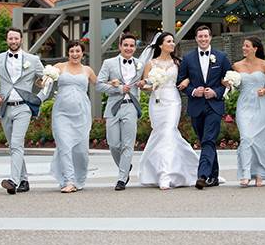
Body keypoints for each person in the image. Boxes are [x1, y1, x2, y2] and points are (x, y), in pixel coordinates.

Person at [0, 28, 46, 195]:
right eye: (10, 38)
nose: (13, 41)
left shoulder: (33, 59)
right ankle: (24, 179)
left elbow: (46, 79)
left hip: (24, 107)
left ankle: (13, 181)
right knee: (13, 146)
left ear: (21, 39)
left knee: (17, 143)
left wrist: (40, 97)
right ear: (7, 40)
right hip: (5, 107)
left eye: (16, 38)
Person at [137, 32, 198, 190]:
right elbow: (146, 86)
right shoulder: (151, 63)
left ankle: (165, 174)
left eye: (173, 41)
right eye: (169, 41)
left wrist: (185, 80)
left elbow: (190, 76)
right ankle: (187, 167)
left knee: (169, 131)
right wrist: (146, 85)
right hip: (157, 102)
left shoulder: (178, 62)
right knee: (160, 133)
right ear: (160, 45)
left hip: (172, 101)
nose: (172, 44)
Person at [177, 26, 232, 190]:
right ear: (196, 38)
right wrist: (194, 91)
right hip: (196, 106)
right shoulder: (187, 59)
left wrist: (216, 92)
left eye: (206, 36)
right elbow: (180, 82)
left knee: (208, 140)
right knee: (205, 141)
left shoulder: (221, 57)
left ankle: (202, 176)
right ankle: (213, 176)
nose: (203, 39)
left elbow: (230, 81)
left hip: (214, 106)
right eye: (200, 36)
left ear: (210, 37)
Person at [96, 33, 143, 191]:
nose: (129, 48)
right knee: (113, 143)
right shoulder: (109, 63)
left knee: (128, 144)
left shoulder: (140, 64)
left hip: (131, 106)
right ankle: (125, 166)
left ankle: (122, 178)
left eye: (131, 45)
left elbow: (147, 82)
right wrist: (118, 88)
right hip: (114, 107)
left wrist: (146, 83)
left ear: (135, 47)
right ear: (120, 46)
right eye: (126, 45)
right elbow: (99, 85)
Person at [49, 40, 97, 193]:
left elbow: (100, 85)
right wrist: (42, 79)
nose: (75, 54)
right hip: (61, 112)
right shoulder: (58, 67)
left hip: (81, 113)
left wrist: (117, 85)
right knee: (64, 146)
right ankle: (68, 180)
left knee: (81, 151)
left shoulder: (88, 70)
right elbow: (45, 84)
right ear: (68, 53)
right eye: (72, 51)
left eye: (78, 51)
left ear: (82, 53)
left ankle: (78, 179)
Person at [230, 36, 265, 187]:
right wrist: (228, 82)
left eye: (247, 46)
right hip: (244, 105)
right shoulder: (236, 66)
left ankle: (260, 173)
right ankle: (245, 173)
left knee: (260, 140)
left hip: (261, 105)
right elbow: (233, 83)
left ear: (255, 48)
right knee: (246, 137)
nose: (244, 48)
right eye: (243, 46)